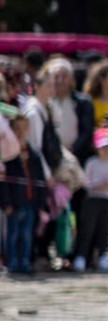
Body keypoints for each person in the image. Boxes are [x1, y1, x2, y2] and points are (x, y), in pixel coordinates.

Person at [3, 111, 50, 276]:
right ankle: (12, 262)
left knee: (27, 235)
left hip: (30, 203)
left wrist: (41, 203)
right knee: (13, 235)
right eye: (17, 128)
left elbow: (40, 181)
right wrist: (6, 203)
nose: (21, 132)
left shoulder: (34, 155)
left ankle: (24, 261)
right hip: (14, 203)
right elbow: (4, 183)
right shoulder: (8, 155)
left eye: (24, 128)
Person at [74, 127, 108, 271]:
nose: (106, 150)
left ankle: (103, 256)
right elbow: (84, 181)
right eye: (103, 147)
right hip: (92, 199)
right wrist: (97, 186)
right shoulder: (91, 162)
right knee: (87, 229)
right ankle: (81, 257)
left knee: (105, 230)